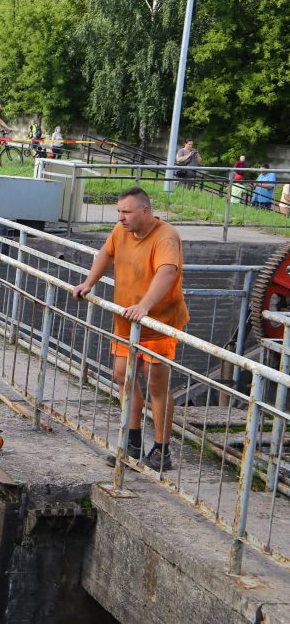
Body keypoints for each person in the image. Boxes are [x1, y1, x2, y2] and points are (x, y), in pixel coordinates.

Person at [71, 187, 189, 471]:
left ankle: (162, 449)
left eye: (126, 212)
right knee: (122, 375)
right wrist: (89, 283)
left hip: (158, 324)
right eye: (119, 212)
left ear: (145, 212)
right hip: (127, 322)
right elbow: (105, 254)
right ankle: (133, 442)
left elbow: (167, 272)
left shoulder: (165, 236)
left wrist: (145, 306)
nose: (121, 217)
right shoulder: (121, 231)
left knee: (156, 384)